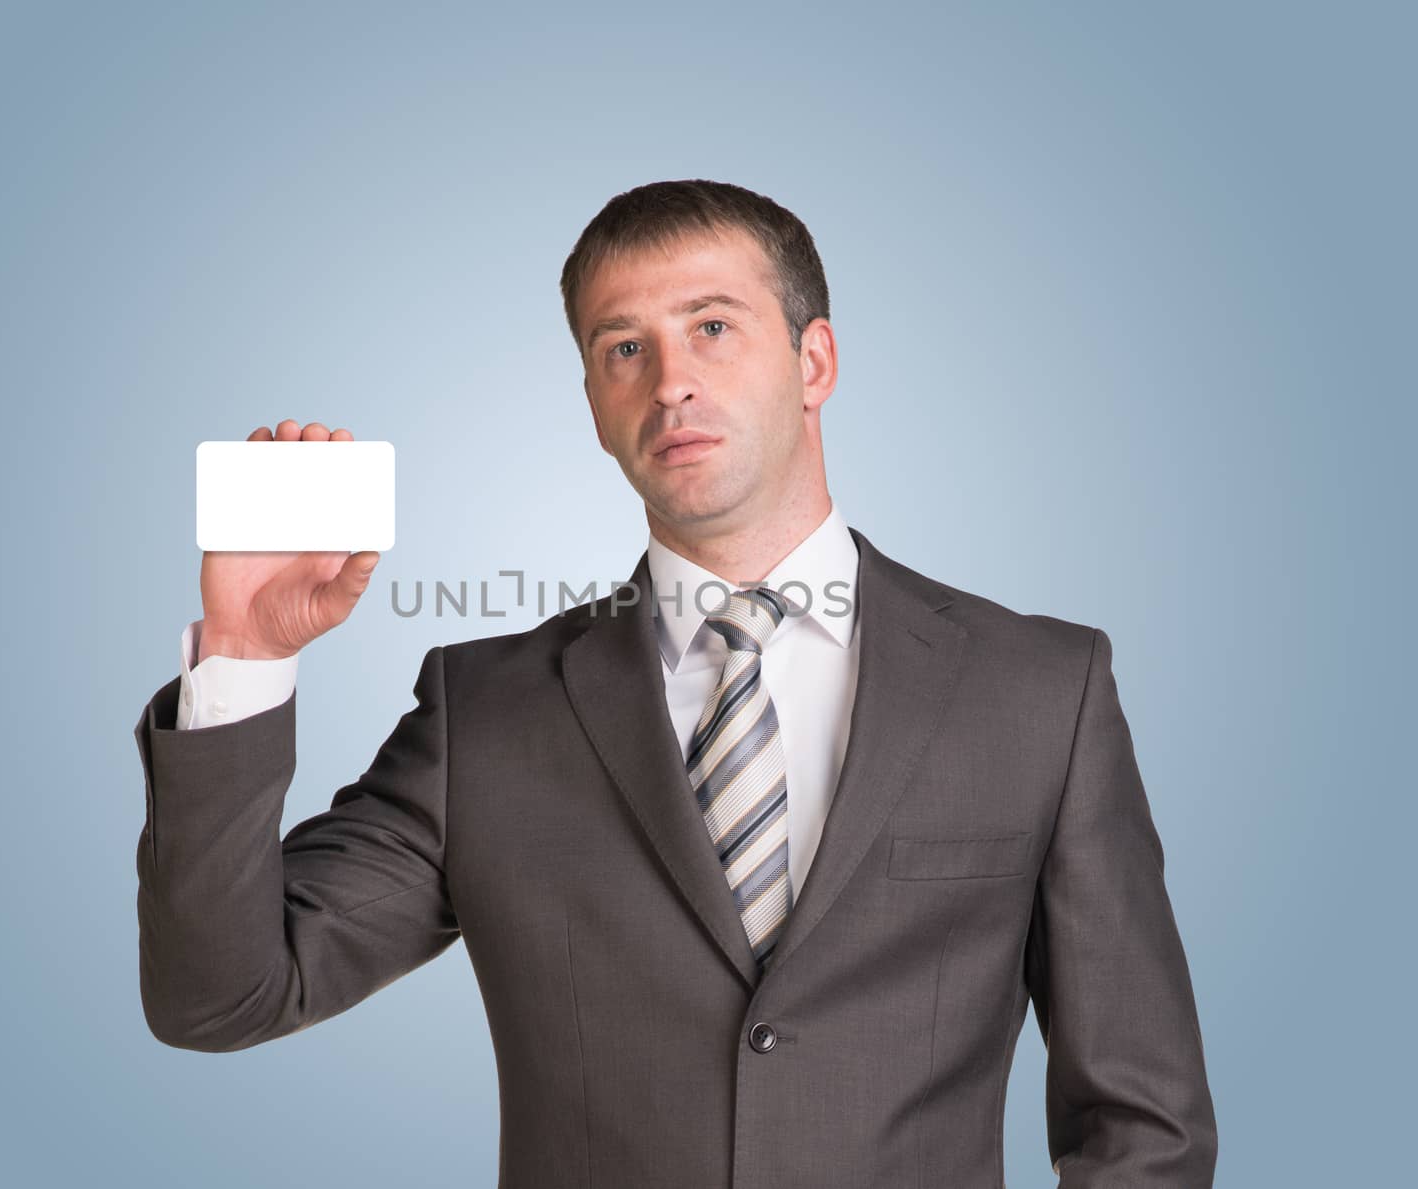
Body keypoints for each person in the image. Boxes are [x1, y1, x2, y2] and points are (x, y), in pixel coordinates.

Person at [132, 179, 1218, 1187]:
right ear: (596, 406)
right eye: (621, 348)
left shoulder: (1037, 690)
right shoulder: (488, 713)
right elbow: (221, 996)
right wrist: (244, 652)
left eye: (711, 325)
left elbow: (1141, 1119)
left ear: (815, 362)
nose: (670, 380)